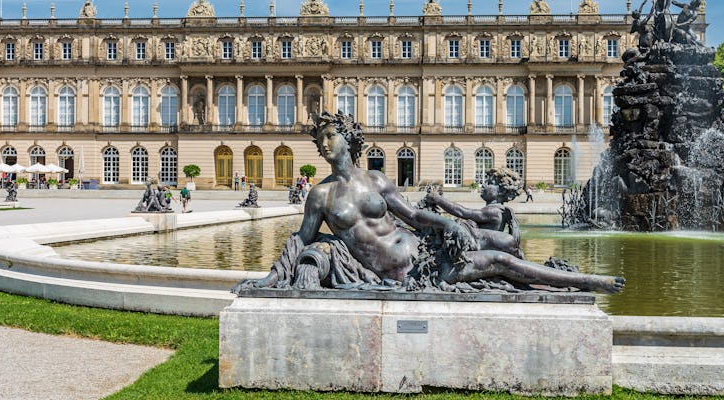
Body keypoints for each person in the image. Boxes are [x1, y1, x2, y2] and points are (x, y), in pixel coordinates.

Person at [246, 111, 624, 293]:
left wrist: (447, 222)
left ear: (348, 137)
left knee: (502, 252)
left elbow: (412, 214)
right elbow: (301, 240)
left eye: (330, 136)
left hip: (423, 249)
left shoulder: (376, 179)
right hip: (410, 274)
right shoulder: (320, 194)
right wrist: (267, 279)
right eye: (320, 140)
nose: (324, 144)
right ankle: (588, 282)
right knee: (500, 262)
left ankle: (586, 281)